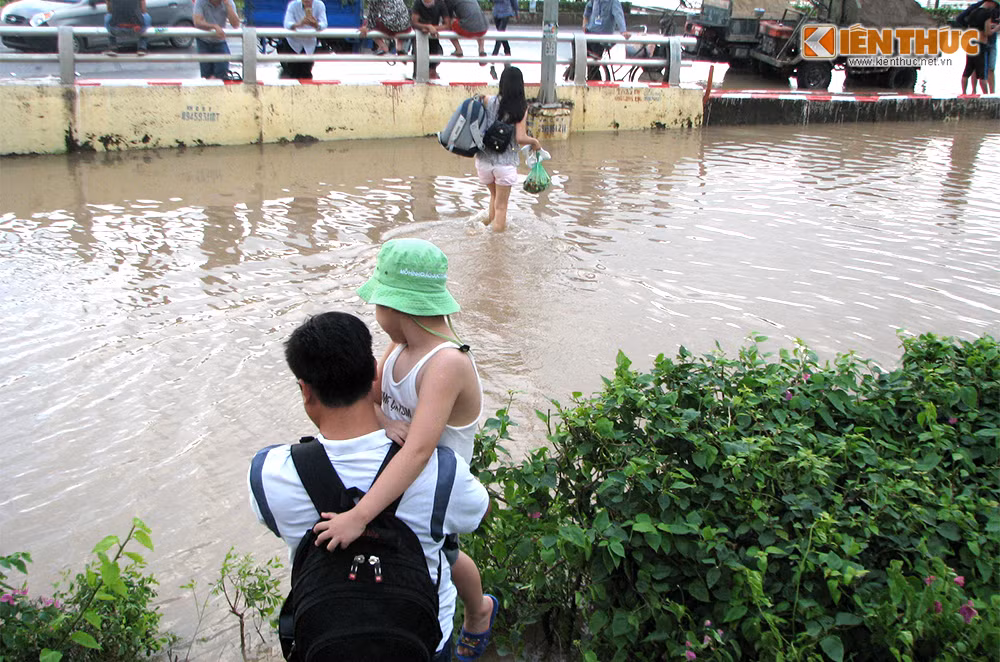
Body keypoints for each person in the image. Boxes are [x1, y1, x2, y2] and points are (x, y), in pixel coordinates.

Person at [248, 310, 490, 661]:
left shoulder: (269, 474)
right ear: (374, 373)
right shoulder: (441, 472)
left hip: (327, 641)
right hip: (423, 641)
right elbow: (478, 513)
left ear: (305, 391)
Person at [312, 239, 499, 661]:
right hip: (401, 480)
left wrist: (358, 517)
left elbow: (417, 452)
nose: (376, 316)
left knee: (447, 556)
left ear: (395, 308)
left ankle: (478, 610)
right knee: (425, 556)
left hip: (434, 486)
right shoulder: (399, 347)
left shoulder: (446, 363)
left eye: (378, 305)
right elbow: (370, 398)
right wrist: (383, 420)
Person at [475, 66, 541, 232]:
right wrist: (535, 142)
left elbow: (476, 104)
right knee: (502, 207)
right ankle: (496, 248)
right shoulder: (521, 108)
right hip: (504, 164)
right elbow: (520, 138)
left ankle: (485, 230)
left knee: (494, 197)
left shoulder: (488, 101)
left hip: (483, 162)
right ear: (521, 85)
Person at [582, 0, 631, 81]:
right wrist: (585, 24)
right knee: (577, 46)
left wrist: (623, 31)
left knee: (593, 60)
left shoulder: (613, 2)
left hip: (602, 37)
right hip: (590, 32)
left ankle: (594, 79)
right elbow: (588, 8)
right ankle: (575, 73)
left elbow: (619, 16)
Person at [278, 0, 327, 79]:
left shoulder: (319, 5)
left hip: (309, 43)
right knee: (292, 71)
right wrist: (299, 24)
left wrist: (316, 25)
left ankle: (306, 89)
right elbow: (287, 23)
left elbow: (324, 23)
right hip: (293, 42)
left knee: (306, 71)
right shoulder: (293, 5)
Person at [193, 0, 241, 80]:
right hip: (203, 41)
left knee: (222, 72)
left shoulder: (228, 2)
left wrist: (228, 6)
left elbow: (236, 24)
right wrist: (214, 27)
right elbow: (197, 22)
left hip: (220, 41)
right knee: (206, 76)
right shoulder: (201, 2)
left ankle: (219, 86)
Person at [960, 0, 999, 94]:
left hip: (971, 43)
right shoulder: (987, 14)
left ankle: (964, 93)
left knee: (968, 70)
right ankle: (986, 95)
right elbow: (987, 32)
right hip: (981, 44)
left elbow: (965, 23)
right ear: (990, 3)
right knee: (982, 74)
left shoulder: (973, 12)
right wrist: (996, 28)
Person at [411, 0, 448, 79]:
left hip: (433, 37)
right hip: (419, 37)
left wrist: (433, 28)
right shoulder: (418, 3)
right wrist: (428, 27)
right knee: (418, 67)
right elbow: (414, 22)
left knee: (435, 58)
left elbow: (447, 25)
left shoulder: (440, 3)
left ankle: (432, 73)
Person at [489, 0, 518, 80]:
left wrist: (516, 11)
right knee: (502, 37)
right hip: (497, 13)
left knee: (500, 36)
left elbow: (514, 1)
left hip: (505, 13)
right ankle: (507, 56)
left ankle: (492, 62)